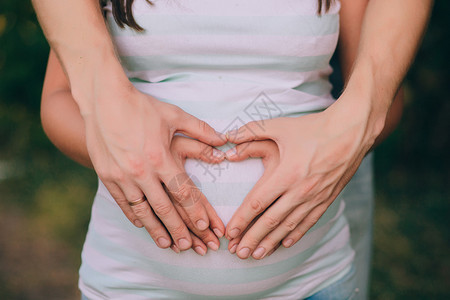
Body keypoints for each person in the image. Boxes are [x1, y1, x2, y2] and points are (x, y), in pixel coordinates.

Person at [36, 0, 432, 299]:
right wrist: (130, 157)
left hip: (313, 282)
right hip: (130, 285)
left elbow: (381, 102)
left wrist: (338, 141)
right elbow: (57, 100)